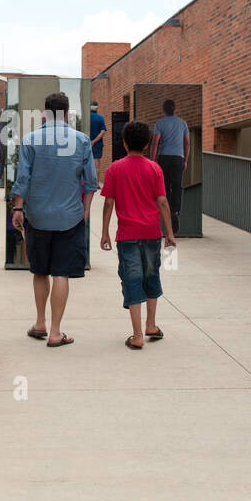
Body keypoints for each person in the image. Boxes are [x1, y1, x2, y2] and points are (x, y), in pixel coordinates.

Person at [11, 93, 96, 347]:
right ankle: (56, 332)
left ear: (45, 114)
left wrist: (18, 208)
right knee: (61, 273)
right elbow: (91, 183)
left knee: (39, 271)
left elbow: (22, 180)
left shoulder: (30, 140)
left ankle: (40, 322)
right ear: (68, 114)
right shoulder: (82, 141)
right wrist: (85, 212)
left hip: (37, 217)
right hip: (70, 217)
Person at [100, 121, 177, 349]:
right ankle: (151, 324)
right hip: (152, 233)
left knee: (132, 279)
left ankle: (137, 335)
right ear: (146, 144)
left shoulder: (115, 169)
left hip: (127, 235)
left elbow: (108, 202)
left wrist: (105, 232)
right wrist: (169, 234)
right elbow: (162, 201)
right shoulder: (155, 169)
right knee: (151, 275)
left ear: (124, 143)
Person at [150, 99, 189, 235]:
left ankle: (165, 211)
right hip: (178, 157)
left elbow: (155, 142)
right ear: (174, 109)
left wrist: (152, 160)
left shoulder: (160, 123)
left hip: (164, 157)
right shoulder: (182, 123)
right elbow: (187, 143)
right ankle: (175, 211)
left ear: (164, 109)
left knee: (164, 185)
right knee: (177, 185)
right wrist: (185, 160)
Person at [88, 100, 107, 184]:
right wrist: (94, 142)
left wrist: (89, 142)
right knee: (96, 165)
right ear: (97, 108)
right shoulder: (100, 118)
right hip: (97, 145)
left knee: (86, 164)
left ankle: (88, 182)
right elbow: (103, 132)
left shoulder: (86, 118)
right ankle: (96, 184)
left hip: (86, 144)